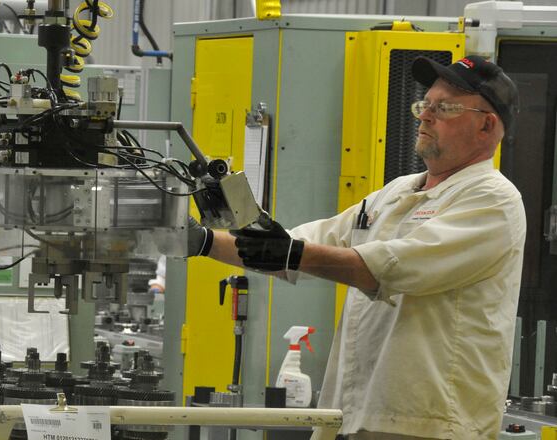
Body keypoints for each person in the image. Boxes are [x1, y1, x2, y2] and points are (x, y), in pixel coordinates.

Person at [187, 56, 525, 439]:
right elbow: (301, 245)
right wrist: (202, 241)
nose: (426, 116)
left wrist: (292, 253)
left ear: (487, 124)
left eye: (444, 107)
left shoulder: (493, 200)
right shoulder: (398, 191)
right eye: (424, 104)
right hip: (351, 416)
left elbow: (394, 268)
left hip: (429, 424)